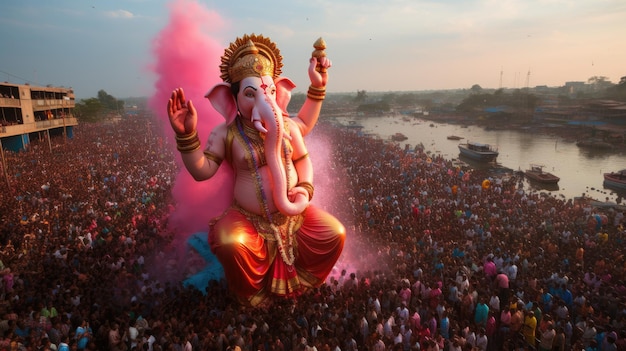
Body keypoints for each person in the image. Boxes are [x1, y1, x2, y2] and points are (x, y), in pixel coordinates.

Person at [166, 34, 345, 306]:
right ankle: (251, 295)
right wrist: (187, 135)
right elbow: (201, 171)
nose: (265, 100)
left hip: (294, 215)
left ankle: (304, 283)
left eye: (270, 92)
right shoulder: (226, 133)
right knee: (232, 244)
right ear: (231, 99)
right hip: (248, 218)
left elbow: (303, 152)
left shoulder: (285, 126)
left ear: (279, 92)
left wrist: (306, 188)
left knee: (335, 234)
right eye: (251, 94)